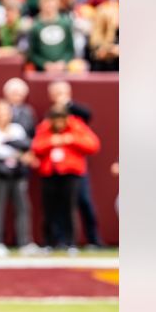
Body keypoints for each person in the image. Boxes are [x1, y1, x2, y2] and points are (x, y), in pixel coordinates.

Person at [32, 106, 100, 254]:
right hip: (50, 173)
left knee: (69, 208)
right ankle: (49, 243)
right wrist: (52, 141)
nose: (59, 124)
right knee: (49, 209)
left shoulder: (76, 127)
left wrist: (70, 140)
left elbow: (93, 145)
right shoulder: (45, 128)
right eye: (56, 120)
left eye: (61, 120)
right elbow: (36, 146)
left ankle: (71, 243)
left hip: (71, 173)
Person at [48, 80, 103, 247]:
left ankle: (93, 239)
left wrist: (69, 139)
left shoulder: (76, 118)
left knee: (84, 202)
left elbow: (91, 138)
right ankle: (60, 241)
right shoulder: (50, 116)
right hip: (56, 168)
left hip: (76, 167)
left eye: (62, 92)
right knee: (58, 206)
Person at [0, 99, 38, 256]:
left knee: (23, 207)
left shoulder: (17, 128)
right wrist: (17, 149)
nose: (3, 115)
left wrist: (11, 144)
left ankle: (25, 243)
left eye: (6, 111)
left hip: (18, 173)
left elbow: (26, 145)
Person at [28, 0, 76, 72]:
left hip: (62, 71)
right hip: (42, 72)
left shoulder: (65, 23)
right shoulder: (36, 25)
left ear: (58, 2)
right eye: (46, 1)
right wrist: (44, 64)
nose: (49, 4)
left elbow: (70, 49)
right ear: (40, 3)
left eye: (52, 1)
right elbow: (32, 53)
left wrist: (63, 62)